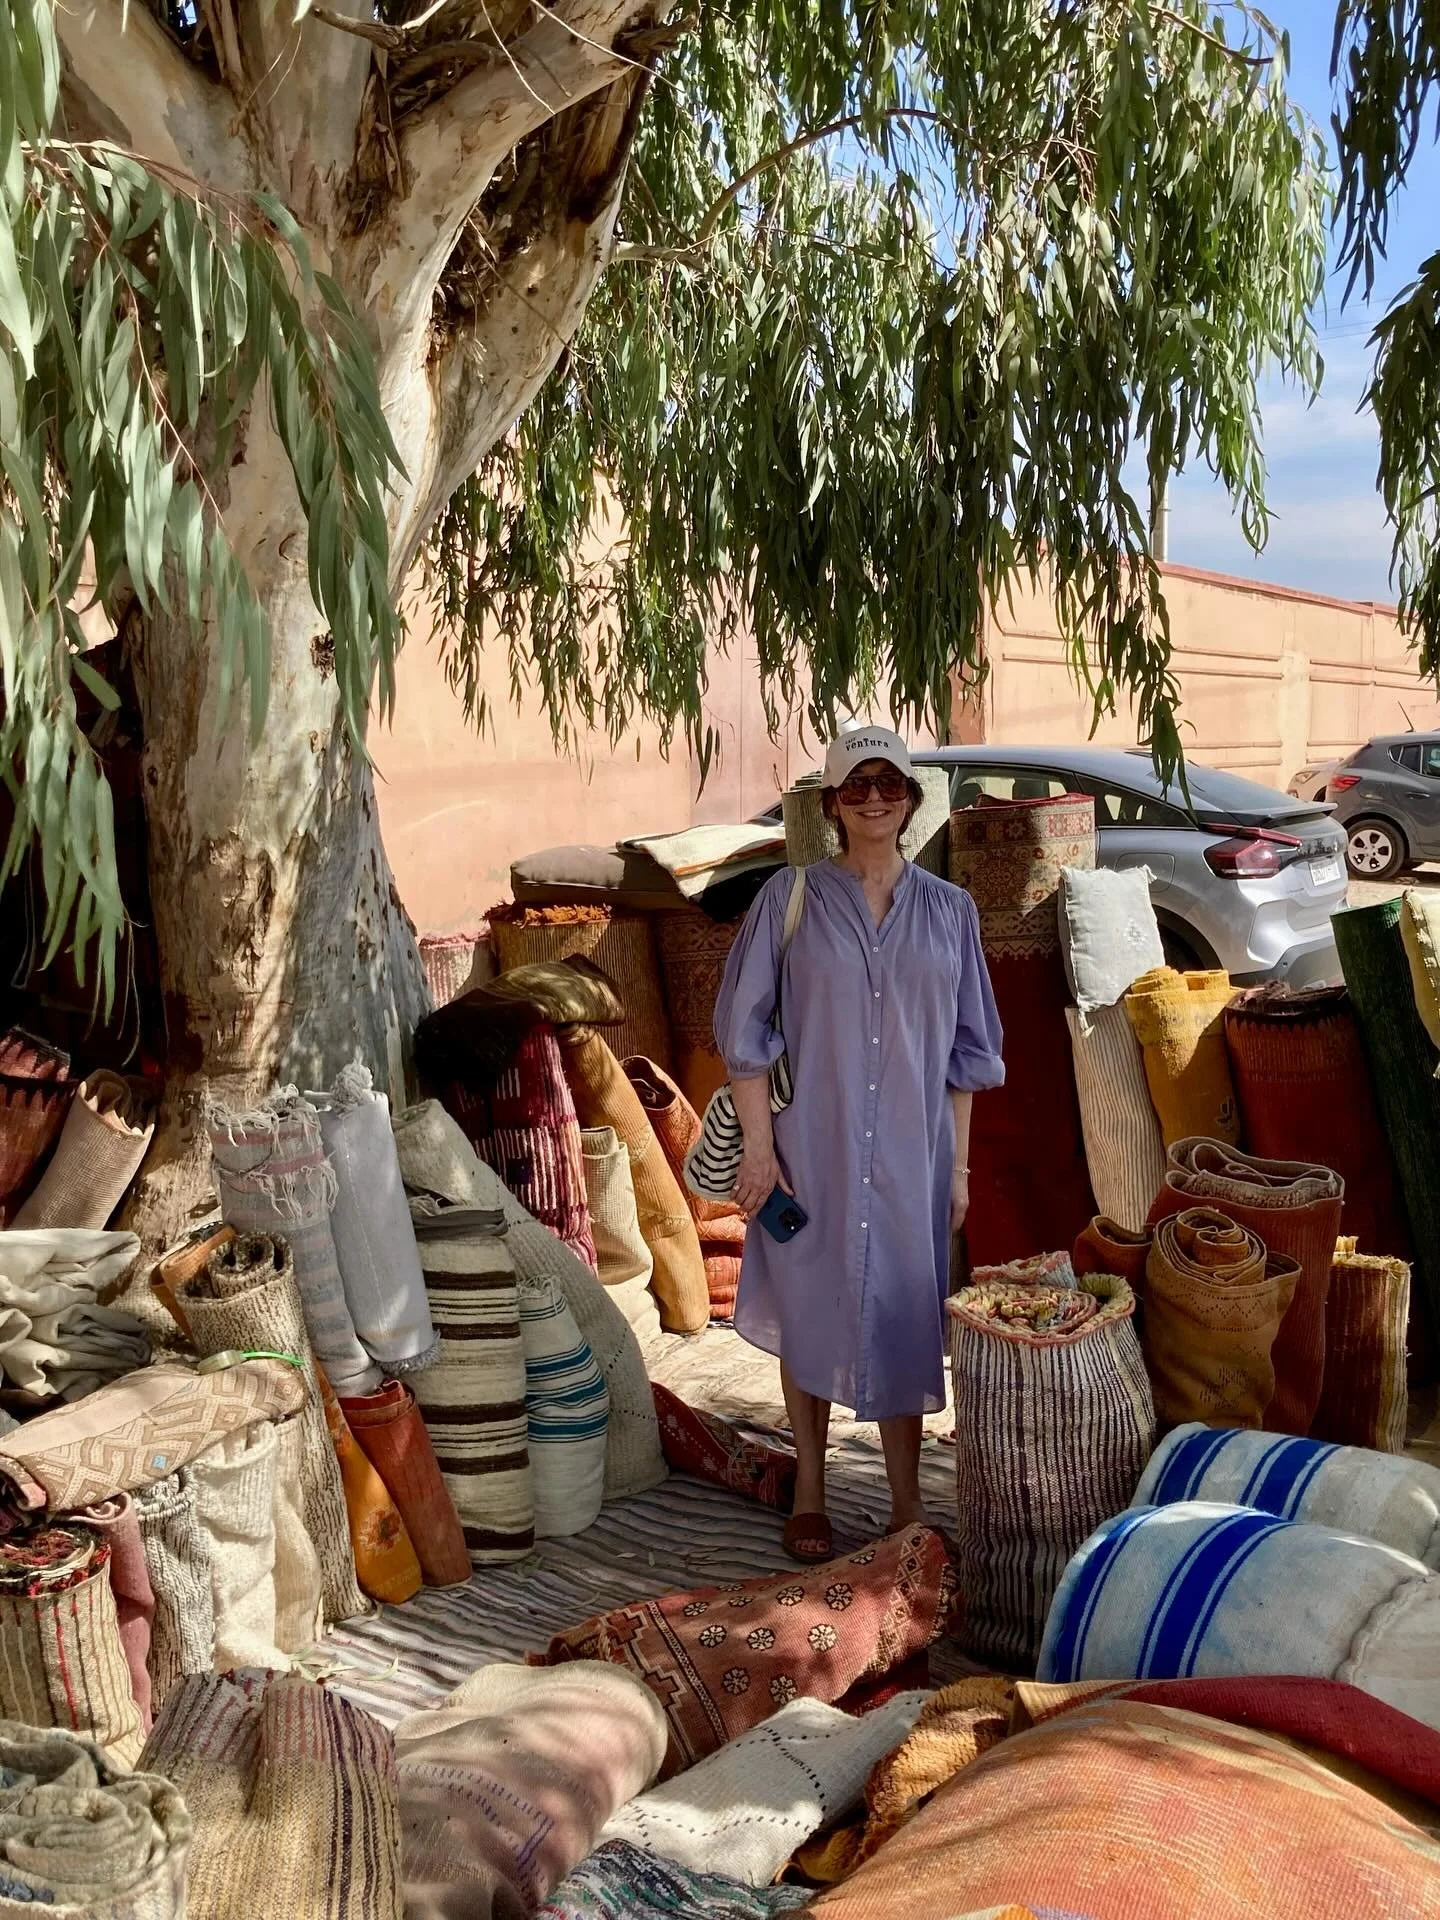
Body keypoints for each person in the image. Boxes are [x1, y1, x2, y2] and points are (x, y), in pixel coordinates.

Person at [713, 728, 1004, 1561]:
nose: (874, 796)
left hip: (911, 1157)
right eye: (856, 784)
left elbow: (968, 1056)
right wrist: (761, 1153)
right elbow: (745, 1031)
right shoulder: (790, 899)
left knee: (905, 1312)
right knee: (810, 1302)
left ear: (911, 799)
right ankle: (810, 1485)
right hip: (811, 1151)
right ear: (833, 803)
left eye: (889, 782)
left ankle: (905, 1498)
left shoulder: (952, 913)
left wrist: (958, 1168)